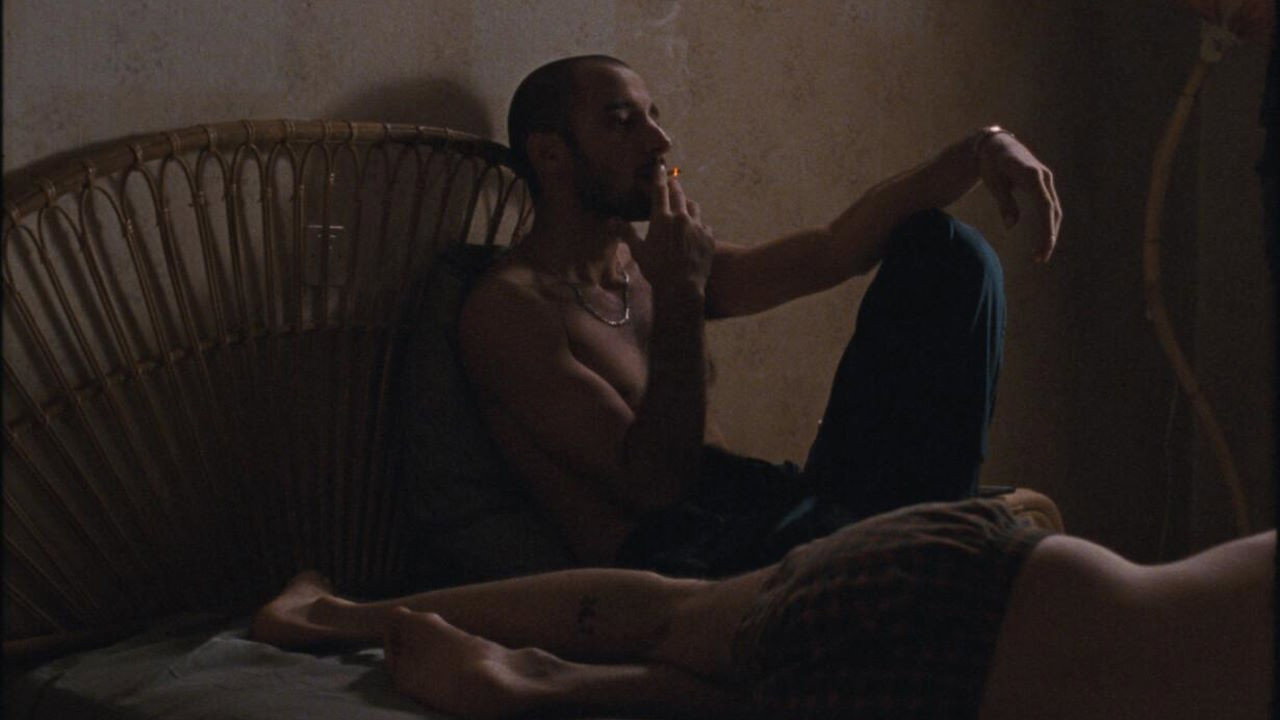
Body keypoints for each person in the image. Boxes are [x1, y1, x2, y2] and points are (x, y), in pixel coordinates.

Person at [456, 55, 1063, 577]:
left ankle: (929, 537)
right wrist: (681, 292)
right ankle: (930, 546)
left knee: (947, 251)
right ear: (551, 155)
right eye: (622, 122)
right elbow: (656, 488)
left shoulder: (649, 266)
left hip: (771, 505)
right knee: (952, 541)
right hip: (688, 557)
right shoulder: (511, 309)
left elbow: (832, 250)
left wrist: (980, 149)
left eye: (653, 117)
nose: (659, 142)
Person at [250, 500, 1275, 720]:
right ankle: (340, 619)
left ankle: (342, 618)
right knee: (690, 638)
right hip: (963, 633)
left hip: (970, 611)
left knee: (675, 619)